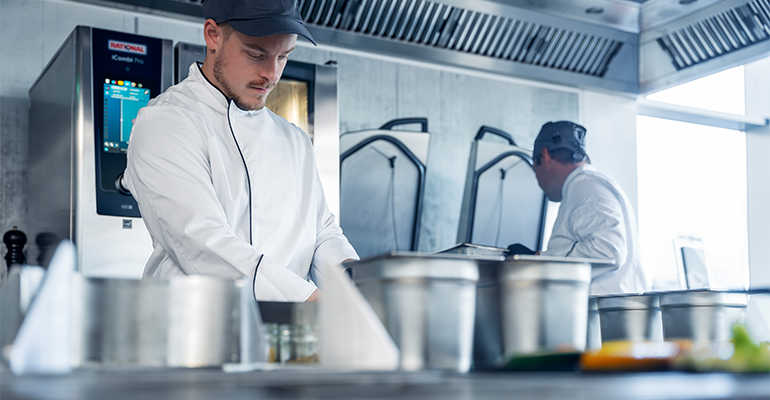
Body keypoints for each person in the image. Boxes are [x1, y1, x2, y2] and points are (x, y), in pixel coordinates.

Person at [124, 0, 358, 302]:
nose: (272, 74)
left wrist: (359, 285)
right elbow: (204, 245)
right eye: (256, 54)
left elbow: (322, 235)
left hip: (284, 338)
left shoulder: (294, 140)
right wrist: (312, 301)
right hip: (194, 334)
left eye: (284, 57)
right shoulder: (165, 123)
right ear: (213, 36)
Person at [529, 121, 648, 295]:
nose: (538, 180)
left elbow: (608, 251)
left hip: (603, 315)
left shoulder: (585, 187)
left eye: (535, 169)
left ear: (545, 157)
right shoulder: (586, 186)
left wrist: (539, 260)